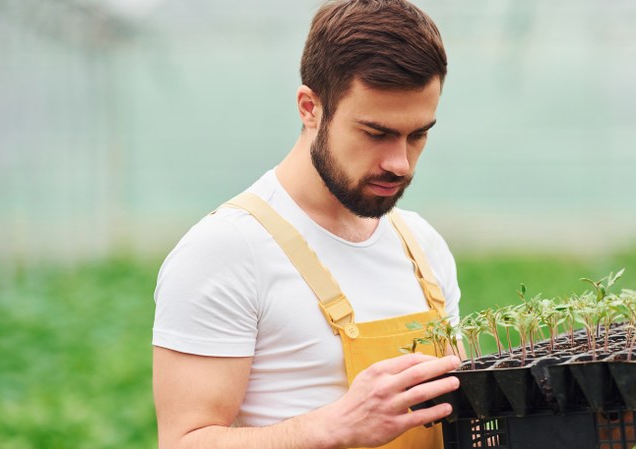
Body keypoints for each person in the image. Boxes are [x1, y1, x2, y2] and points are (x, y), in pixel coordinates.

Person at [152, 1, 463, 448]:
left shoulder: (422, 246)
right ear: (310, 107)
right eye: (376, 133)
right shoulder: (227, 249)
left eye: (418, 135)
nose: (399, 163)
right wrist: (330, 428)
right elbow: (183, 442)